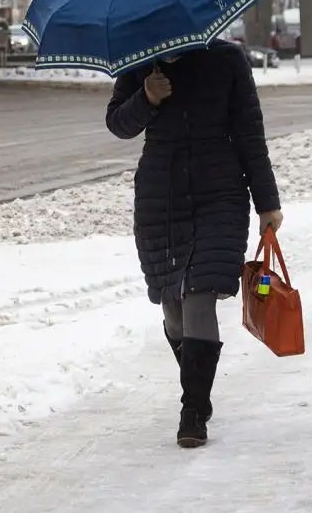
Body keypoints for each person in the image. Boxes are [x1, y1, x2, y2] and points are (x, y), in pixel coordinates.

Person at [106, 40, 283, 449]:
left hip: (219, 191)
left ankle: (192, 408)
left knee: (198, 294)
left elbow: (249, 133)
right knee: (172, 304)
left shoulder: (226, 58)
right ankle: (198, 390)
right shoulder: (139, 60)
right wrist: (146, 98)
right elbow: (118, 124)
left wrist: (267, 202)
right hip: (160, 195)